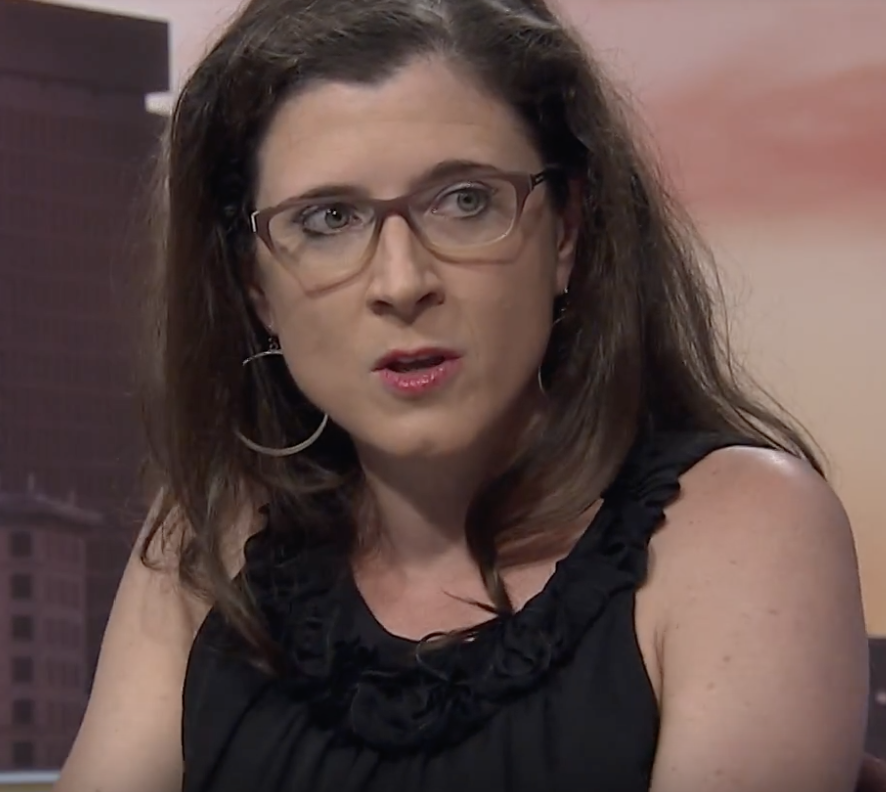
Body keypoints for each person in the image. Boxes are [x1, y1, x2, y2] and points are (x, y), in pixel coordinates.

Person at [54, 0, 870, 790]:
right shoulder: (208, 539)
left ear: (567, 231)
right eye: (328, 218)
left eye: (465, 201)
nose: (402, 281)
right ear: (255, 286)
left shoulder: (739, 527)